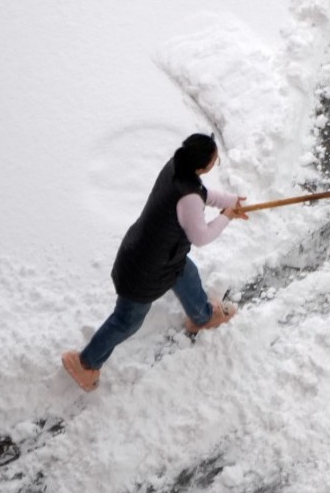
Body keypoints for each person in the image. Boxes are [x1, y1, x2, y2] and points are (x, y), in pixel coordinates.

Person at [61, 133, 250, 391]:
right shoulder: (188, 196)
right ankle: (86, 364)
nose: (215, 163)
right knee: (127, 321)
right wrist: (227, 216)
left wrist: (230, 201)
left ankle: (202, 316)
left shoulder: (177, 165)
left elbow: (199, 194)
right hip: (146, 270)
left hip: (159, 254)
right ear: (201, 166)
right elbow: (201, 236)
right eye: (214, 160)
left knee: (187, 273)